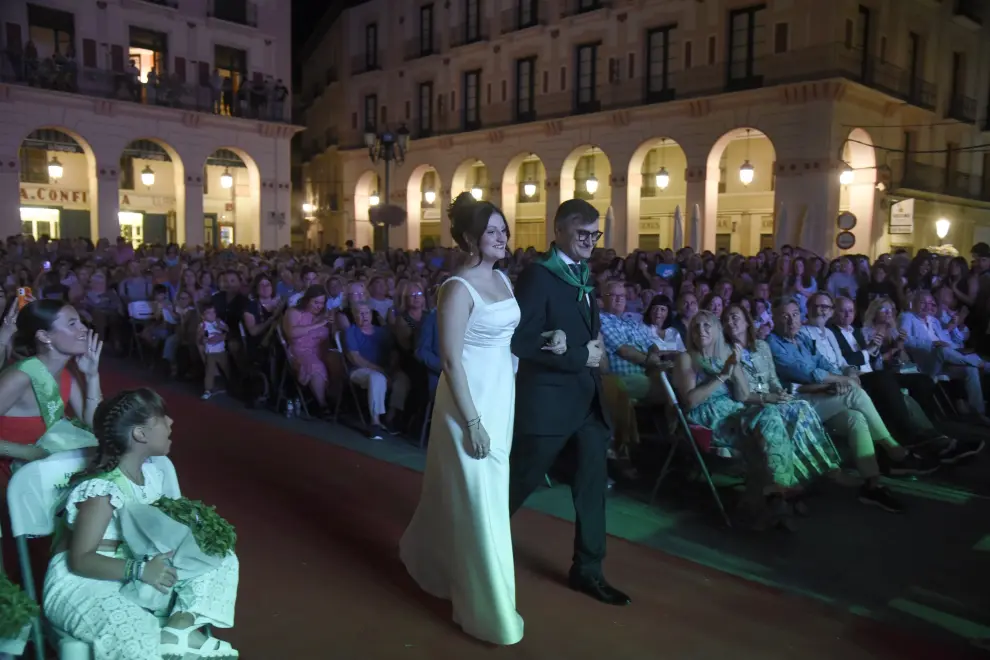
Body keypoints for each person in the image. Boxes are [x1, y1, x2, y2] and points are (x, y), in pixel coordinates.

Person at [401, 193, 529, 644]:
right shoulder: (456, 288)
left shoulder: (505, 281)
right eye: (493, 231)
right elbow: (452, 361)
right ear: (472, 238)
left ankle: (430, 558)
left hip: (501, 396)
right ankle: (489, 610)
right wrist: (473, 422)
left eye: (504, 229)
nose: (502, 237)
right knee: (478, 500)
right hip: (466, 403)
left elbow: (505, 344)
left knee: (486, 496)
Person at [43, 388, 239, 659]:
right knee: (138, 637)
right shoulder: (102, 489)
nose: (170, 422)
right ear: (140, 434)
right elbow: (80, 560)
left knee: (220, 557)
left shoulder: (152, 475)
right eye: (161, 418)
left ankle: (179, 629)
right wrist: (140, 570)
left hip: (138, 569)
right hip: (84, 581)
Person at [509, 199, 630, 606]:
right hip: (546, 406)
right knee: (514, 486)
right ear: (559, 230)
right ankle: (465, 547)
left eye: (595, 235)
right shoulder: (538, 276)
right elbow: (520, 341)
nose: (590, 242)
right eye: (583, 234)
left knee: (592, 489)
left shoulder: (581, 274)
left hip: (585, 403)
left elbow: (579, 334)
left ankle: (588, 570)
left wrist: (589, 349)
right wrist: (580, 355)